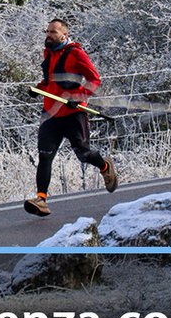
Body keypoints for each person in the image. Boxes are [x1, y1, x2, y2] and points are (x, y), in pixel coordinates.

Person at [24, 18, 118, 217]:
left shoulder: (76, 54)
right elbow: (50, 81)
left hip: (73, 114)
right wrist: (38, 89)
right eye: (47, 31)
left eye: (53, 32)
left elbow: (94, 79)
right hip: (50, 115)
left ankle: (105, 166)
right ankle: (41, 199)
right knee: (44, 156)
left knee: (83, 155)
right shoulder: (48, 54)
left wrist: (79, 97)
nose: (48, 35)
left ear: (64, 35)